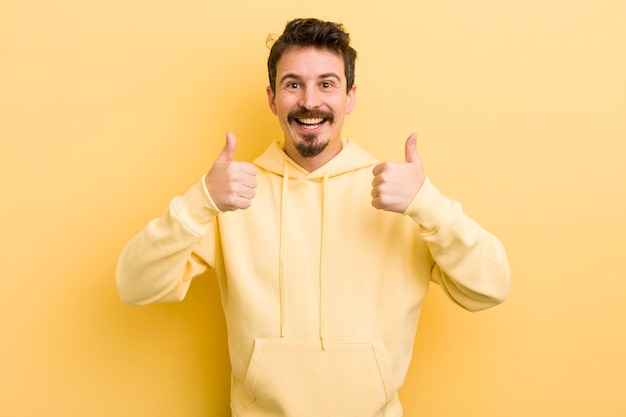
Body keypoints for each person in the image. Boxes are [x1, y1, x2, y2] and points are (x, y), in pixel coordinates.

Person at [116, 18, 510, 417]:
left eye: (326, 84)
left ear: (350, 96)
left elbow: (491, 287)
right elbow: (133, 285)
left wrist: (428, 203)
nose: (309, 101)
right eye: (293, 84)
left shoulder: (402, 198)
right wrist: (201, 200)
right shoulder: (233, 196)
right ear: (272, 98)